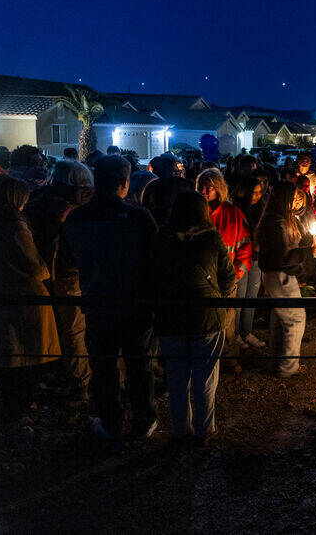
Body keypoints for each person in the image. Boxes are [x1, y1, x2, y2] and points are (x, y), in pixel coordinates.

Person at [63, 155, 159, 440]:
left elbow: (70, 258)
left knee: (103, 367)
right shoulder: (139, 217)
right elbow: (154, 259)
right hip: (135, 305)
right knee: (139, 365)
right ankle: (143, 420)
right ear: (124, 182)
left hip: (96, 303)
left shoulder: (77, 217)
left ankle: (110, 421)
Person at [0, 175, 61, 422]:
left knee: (6, 353)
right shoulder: (15, 226)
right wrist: (46, 270)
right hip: (24, 298)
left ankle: (12, 405)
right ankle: (23, 406)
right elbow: (33, 265)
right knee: (26, 354)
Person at [151, 192, 236, 445]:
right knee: (205, 377)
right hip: (206, 316)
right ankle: (204, 430)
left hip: (170, 317)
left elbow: (150, 274)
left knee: (176, 377)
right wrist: (217, 299)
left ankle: (179, 430)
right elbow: (229, 276)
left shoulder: (160, 238)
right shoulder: (211, 238)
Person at [23, 160, 95, 403]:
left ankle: (59, 373)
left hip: (43, 276)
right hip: (69, 274)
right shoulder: (76, 207)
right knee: (73, 329)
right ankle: (80, 381)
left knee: (55, 328)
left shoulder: (35, 203)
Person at [257, 181, 316, 378]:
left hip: (277, 274)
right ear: (284, 199)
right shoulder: (277, 224)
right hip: (280, 276)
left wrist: (307, 242)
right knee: (295, 319)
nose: (295, 202)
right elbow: (283, 257)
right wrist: (308, 253)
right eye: (292, 198)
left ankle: (275, 361)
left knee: (279, 319)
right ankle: (288, 368)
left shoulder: (280, 219)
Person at [196, 169, 253, 355]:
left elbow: (245, 248)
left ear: (219, 189)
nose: (203, 191)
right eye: (200, 186)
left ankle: (230, 358)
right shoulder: (192, 212)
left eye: (209, 187)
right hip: (200, 282)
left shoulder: (233, 214)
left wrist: (235, 275)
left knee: (227, 323)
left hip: (226, 281)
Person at [229, 176, 266, 348]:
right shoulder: (235, 210)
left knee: (251, 298)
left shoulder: (261, 209)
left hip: (256, 259)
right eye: (254, 192)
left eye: (260, 192)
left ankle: (246, 331)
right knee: (239, 298)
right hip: (240, 260)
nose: (257, 196)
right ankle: (235, 334)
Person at [141, 152, 195, 226]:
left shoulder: (151, 186)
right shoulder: (187, 184)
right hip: (181, 225)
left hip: (158, 226)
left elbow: (146, 209)